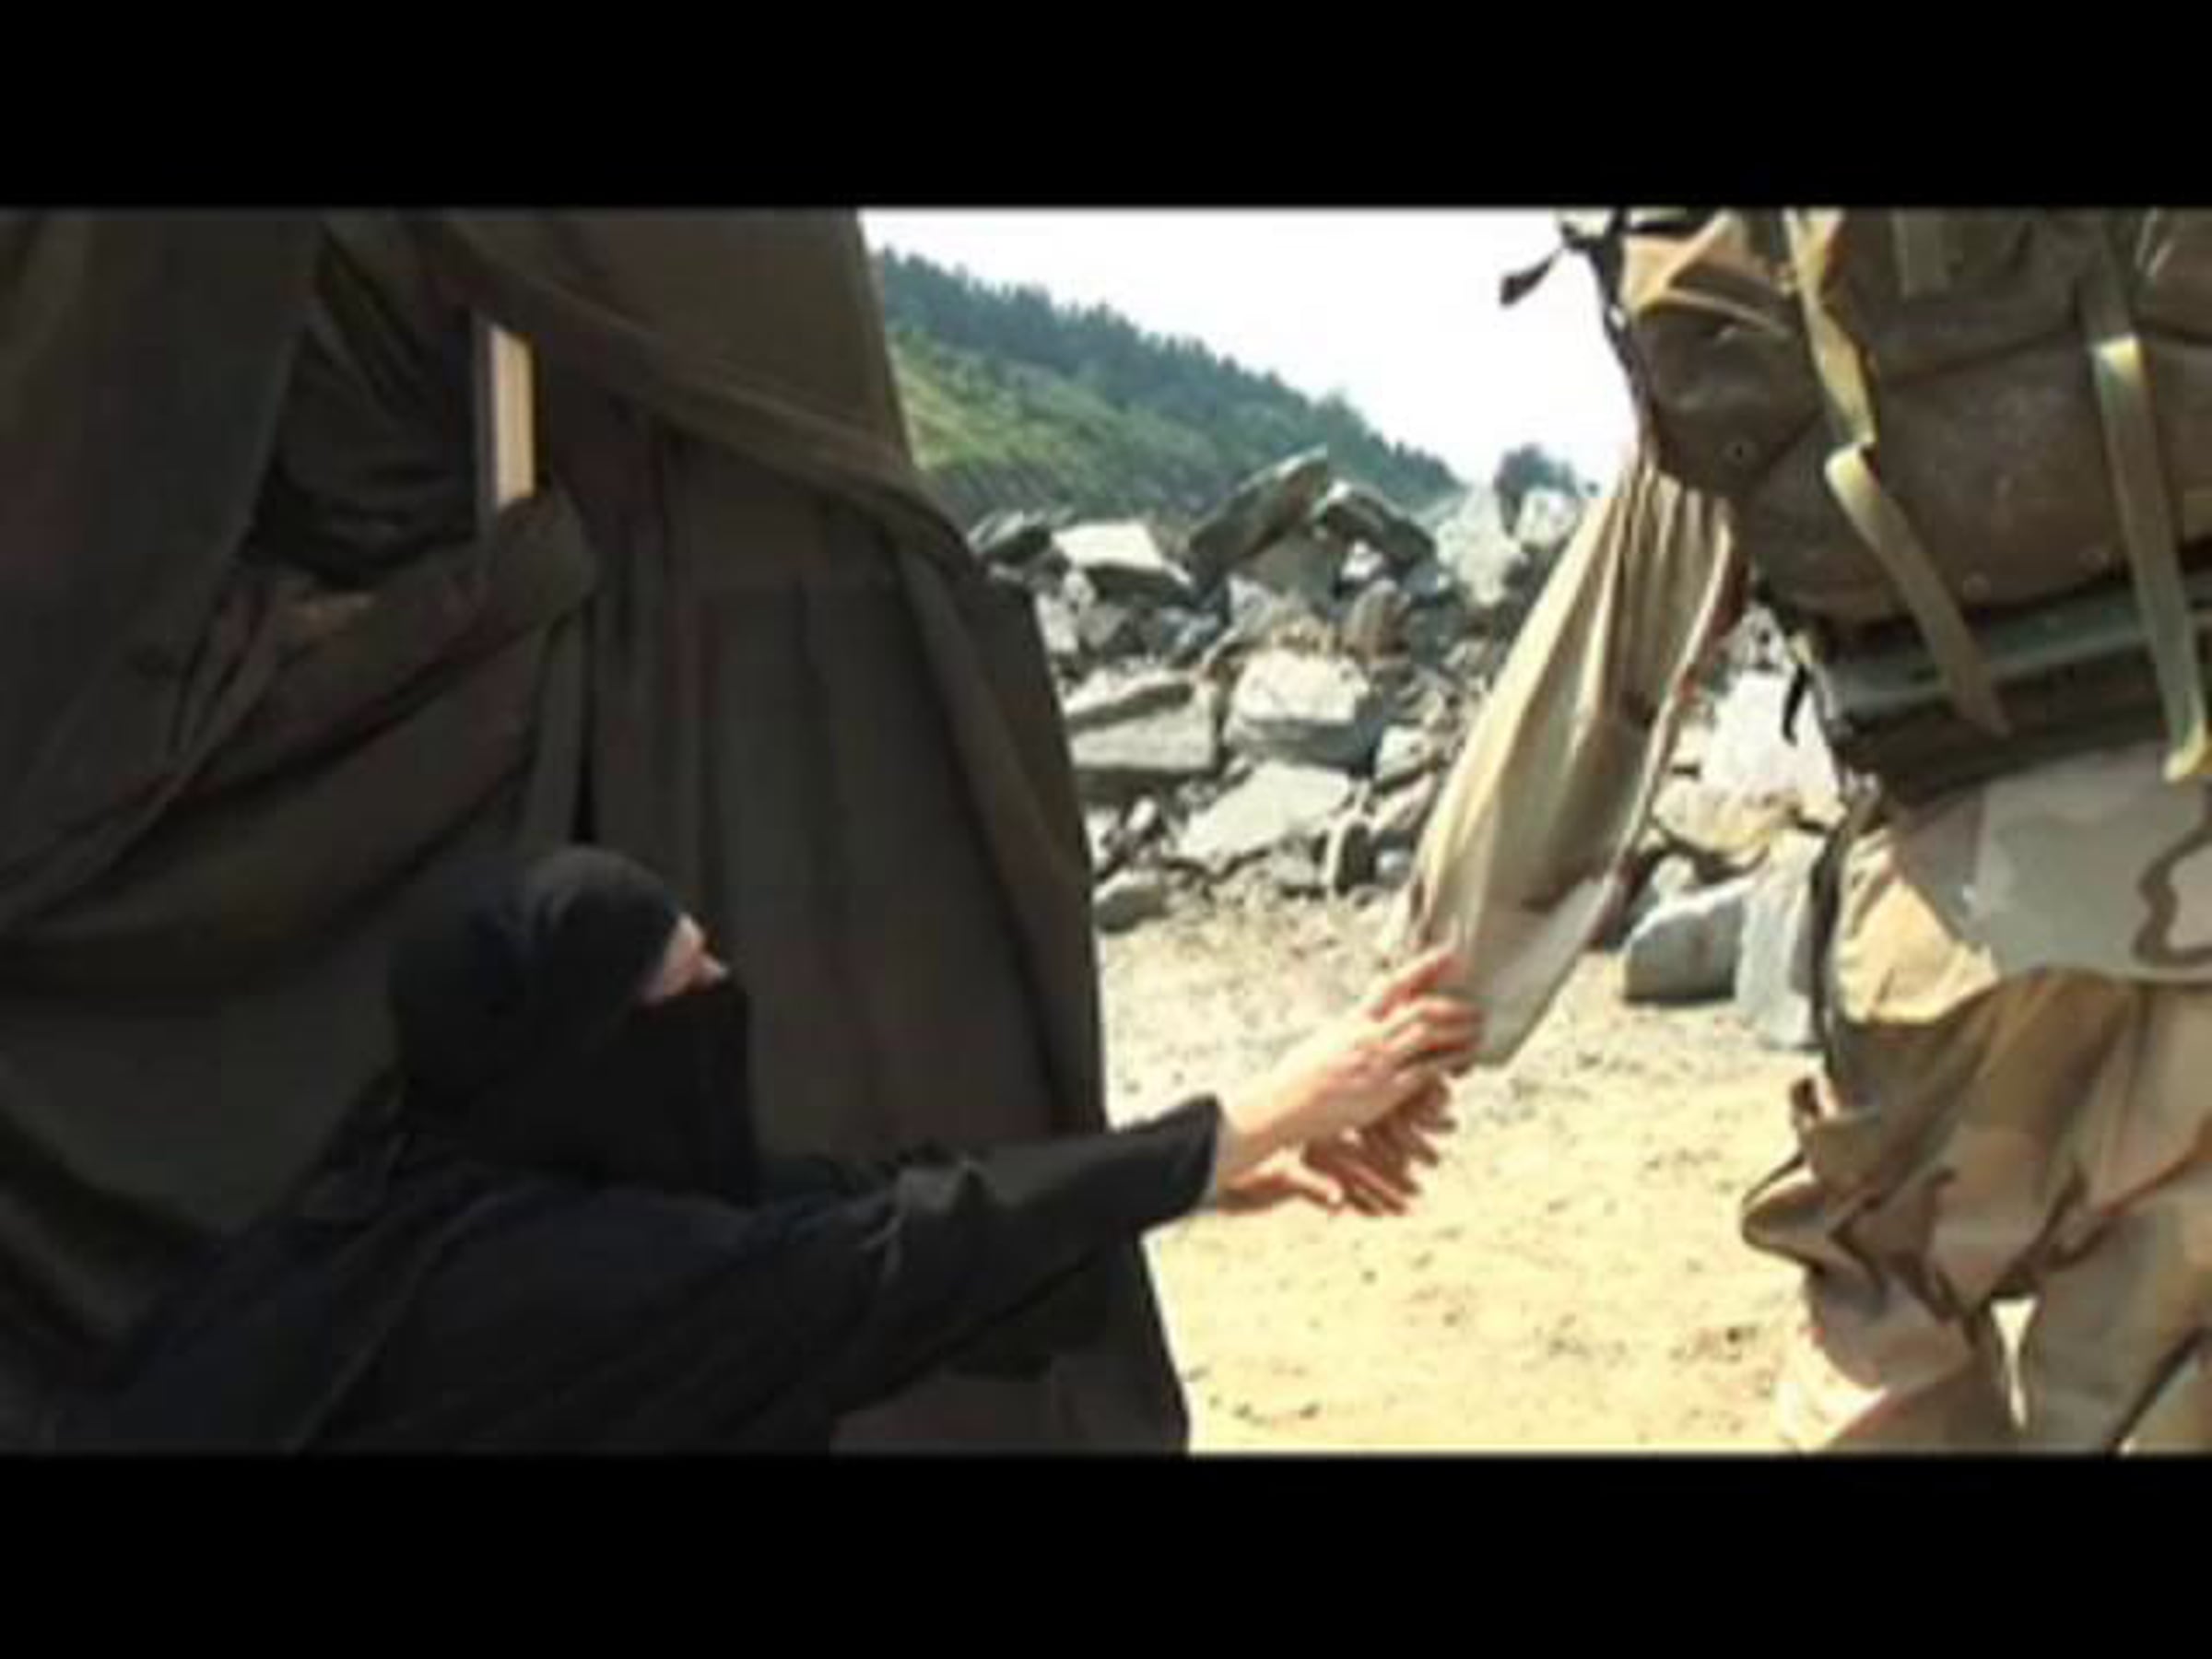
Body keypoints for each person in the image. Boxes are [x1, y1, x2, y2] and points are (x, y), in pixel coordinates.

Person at [50, 847, 1477, 1452]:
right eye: (688, 983)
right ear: (581, 1050)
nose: (728, 997)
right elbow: (874, 1260)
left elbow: (857, 1200)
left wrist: (1201, 1175)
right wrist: (1247, 1118)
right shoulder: (526, 1280)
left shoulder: (428, 1182)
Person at [1406, 450, 2212, 1452]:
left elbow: (1611, 657)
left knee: (1886, 1324)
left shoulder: (1772, 344)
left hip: (1948, 925)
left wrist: (1443, 988)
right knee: (2165, 1363)